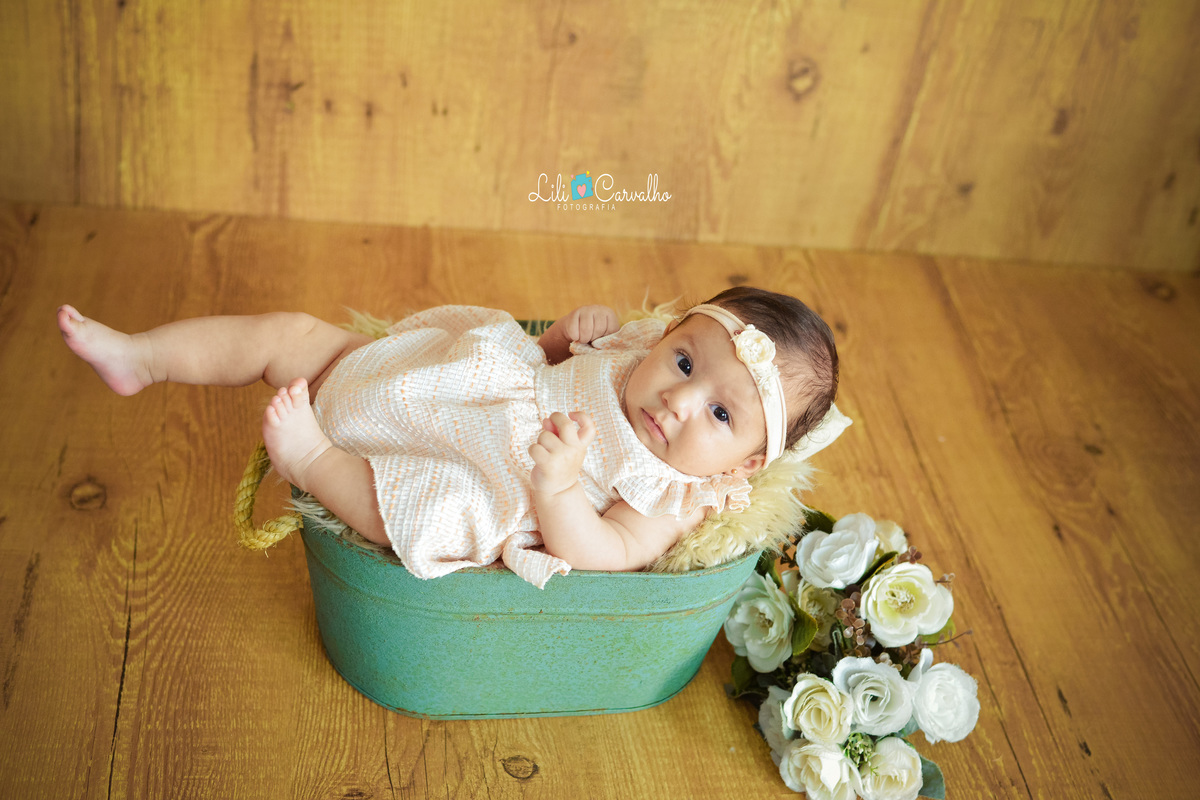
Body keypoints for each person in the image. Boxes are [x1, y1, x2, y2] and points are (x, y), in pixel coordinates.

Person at [57, 286, 839, 588]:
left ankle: (318, 462)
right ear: (668, 335)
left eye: (724, 417)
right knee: (296, 334)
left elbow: (604, 552)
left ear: (750, 463)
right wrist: (569, 335)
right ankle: (144, 357)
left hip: (489, 476)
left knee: (430, 509)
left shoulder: (673, 495)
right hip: (452, 386)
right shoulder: (635, 361)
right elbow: (551, 363)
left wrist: (559, 487)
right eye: (682, 361)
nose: (679, 400)